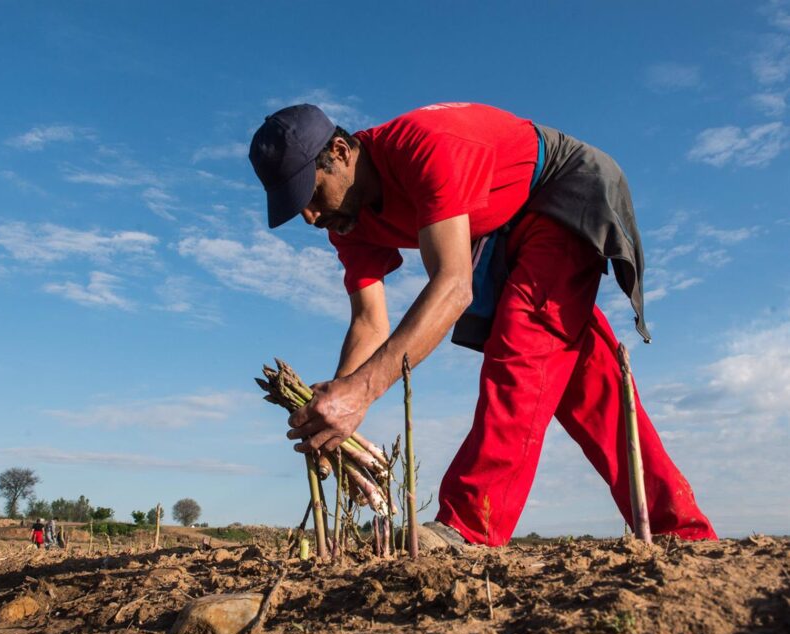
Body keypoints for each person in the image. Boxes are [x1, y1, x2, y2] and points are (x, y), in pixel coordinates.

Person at [248, 102, 717, 547]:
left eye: (311, 195)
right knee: (589, 385)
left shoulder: (424, 147)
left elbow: (454, 286)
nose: (310, 217)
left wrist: (364, 391)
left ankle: (469, 524)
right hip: (501, 228)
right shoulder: (344, 221)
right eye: (297, 209)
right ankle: (680, 527)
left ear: (341, 153)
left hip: (560, 189)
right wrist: (339, 407)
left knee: (524, 350)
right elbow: (370, 323)